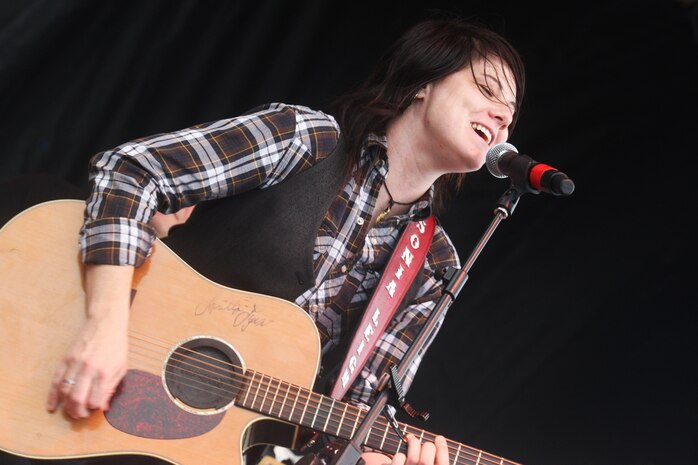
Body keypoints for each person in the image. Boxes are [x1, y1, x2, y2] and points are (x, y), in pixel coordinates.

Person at [41, 15, 525, 465]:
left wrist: (365, 457)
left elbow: (342, 433)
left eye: (511, 113)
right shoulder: (304, 138)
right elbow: (131, 172)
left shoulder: (434, 267)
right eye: (487, 90)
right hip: (73, 362)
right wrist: (104, 328)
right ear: (422, 83)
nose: (502, 116)